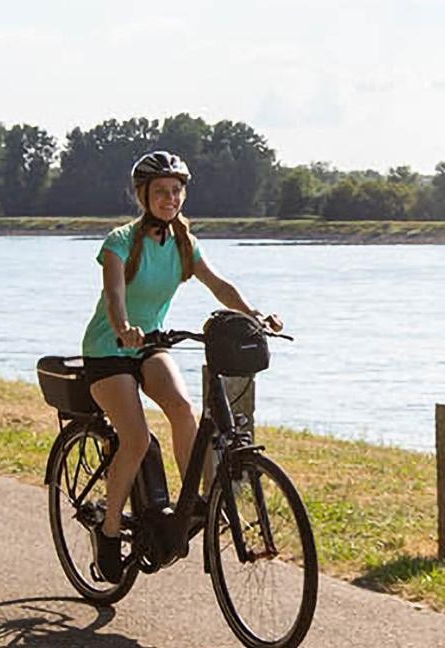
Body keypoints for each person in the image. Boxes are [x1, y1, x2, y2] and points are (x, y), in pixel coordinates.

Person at [80, 150, 279, 582]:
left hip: (152, 344)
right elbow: (114, 296)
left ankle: (194, 503)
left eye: (176, 191)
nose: (170, 198)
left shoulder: (185, 243)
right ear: (143, 196)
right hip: (109, 349)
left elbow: (219, 285)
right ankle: (110, 529)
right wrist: (124, 327)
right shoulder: (120, 242)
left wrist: (254, 316)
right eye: (161, 192)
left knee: (183, 409)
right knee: (134, 439)